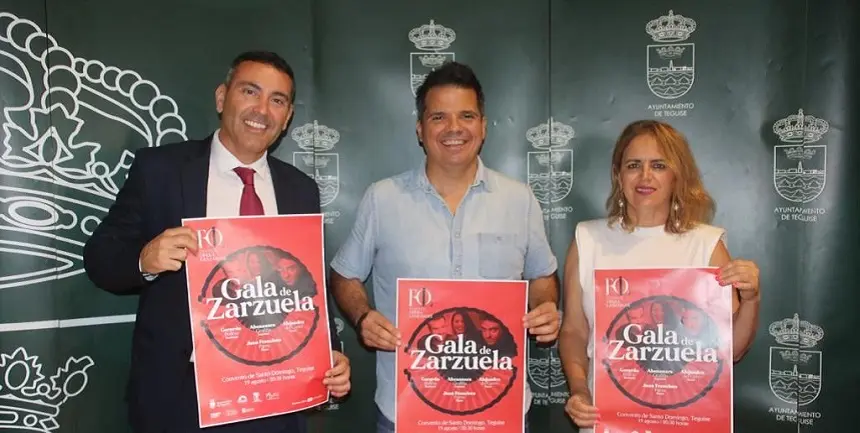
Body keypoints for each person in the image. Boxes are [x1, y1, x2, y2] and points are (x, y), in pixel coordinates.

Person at [83, 51, 351, 433]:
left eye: (278, 100)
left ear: (288, 117)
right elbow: (100, 259)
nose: (262, 109)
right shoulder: (160, 170)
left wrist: (331, 355)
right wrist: (144, 259)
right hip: (180, 400)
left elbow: (309, 290)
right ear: (222, 97)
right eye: (250, 92)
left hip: (275, 399)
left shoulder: (300, 189)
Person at [328, 61, 560, 433]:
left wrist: (546, 307)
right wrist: (363, 317)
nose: (454, 128)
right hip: (405, 412)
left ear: (483, 126)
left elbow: (542, 276)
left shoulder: (520, 200)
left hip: (501, 410)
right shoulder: (382, 199)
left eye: (466, 115)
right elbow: (344, 274)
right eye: (439, 117)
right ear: (420, 129)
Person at [557, 120, 761, 432]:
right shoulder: (588, 238)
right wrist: (580, 389)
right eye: (633, 165)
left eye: (659, 165)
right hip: (609, 422)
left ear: (676, 174)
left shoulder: (706, 244)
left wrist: (751, 299)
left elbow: (731, 351)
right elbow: (573, 331)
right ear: (618, 174)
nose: (645, 176)